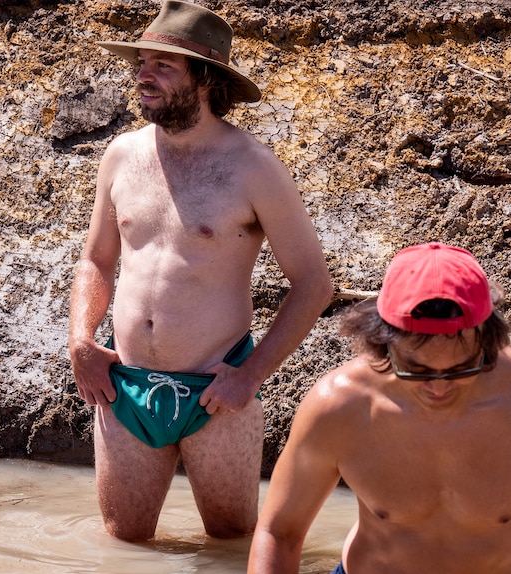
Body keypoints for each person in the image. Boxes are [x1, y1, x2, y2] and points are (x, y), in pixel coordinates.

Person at [68, 0, 333, 542]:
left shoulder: (254, 167)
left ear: (207, 80)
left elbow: (313, 283)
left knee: (233, 542)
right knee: (125, 545)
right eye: (141, 62)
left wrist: (251, 374)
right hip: (125, 390)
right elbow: (97, 258)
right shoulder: (121, 154)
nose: (144, 74)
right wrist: (80, 340)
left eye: (164, 65)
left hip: (217, 393)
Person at [248, 242, 511, 574]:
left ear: (491, 340)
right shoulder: (340, 406)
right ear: (381, 343)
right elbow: (279, 532)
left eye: (462, 368)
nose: (438, 388)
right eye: (415, 368)